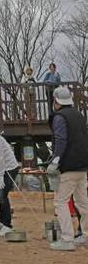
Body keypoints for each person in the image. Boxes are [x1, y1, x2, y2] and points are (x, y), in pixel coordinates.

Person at [47, 86, 88, 251]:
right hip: (83, 167)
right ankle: (86, 235)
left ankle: (67, 239)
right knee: (83, 202)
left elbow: (61, 139)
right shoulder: (79, 115)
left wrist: (55, 161)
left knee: (60, 201)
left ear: (55, 101)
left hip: (68, 167)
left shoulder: (59, 116)